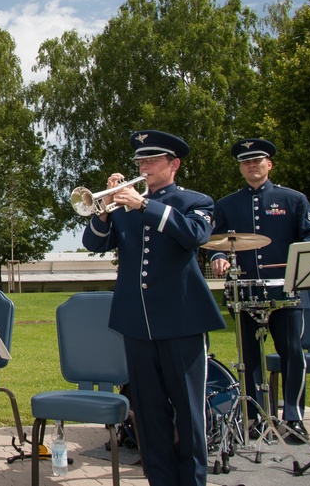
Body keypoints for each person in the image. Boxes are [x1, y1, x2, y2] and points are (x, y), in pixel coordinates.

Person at [81, 130, 225, 486]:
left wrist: (144, 204)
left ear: (173, 165)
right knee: (148, 414)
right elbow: (92, 243)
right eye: (140, 162)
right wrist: (103, 209)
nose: (143, 167)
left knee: (189, 414)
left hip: (182, 321)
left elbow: (194, 235)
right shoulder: (124, 207)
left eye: (151, 161)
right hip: (137, 324)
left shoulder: (195, 201)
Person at [209, 138, 310, 443]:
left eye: (257, 161)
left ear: (269, 164)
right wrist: (218, 257)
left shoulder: (293, 199)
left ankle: (294, 418)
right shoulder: (226, 204)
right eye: (245, 162)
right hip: (245, 292)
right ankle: (255, 418)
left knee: (292, 354)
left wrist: (301, 256)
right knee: (249, 357)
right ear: (240, 168)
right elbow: (214, 243)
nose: (251, 166)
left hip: (286, 292)